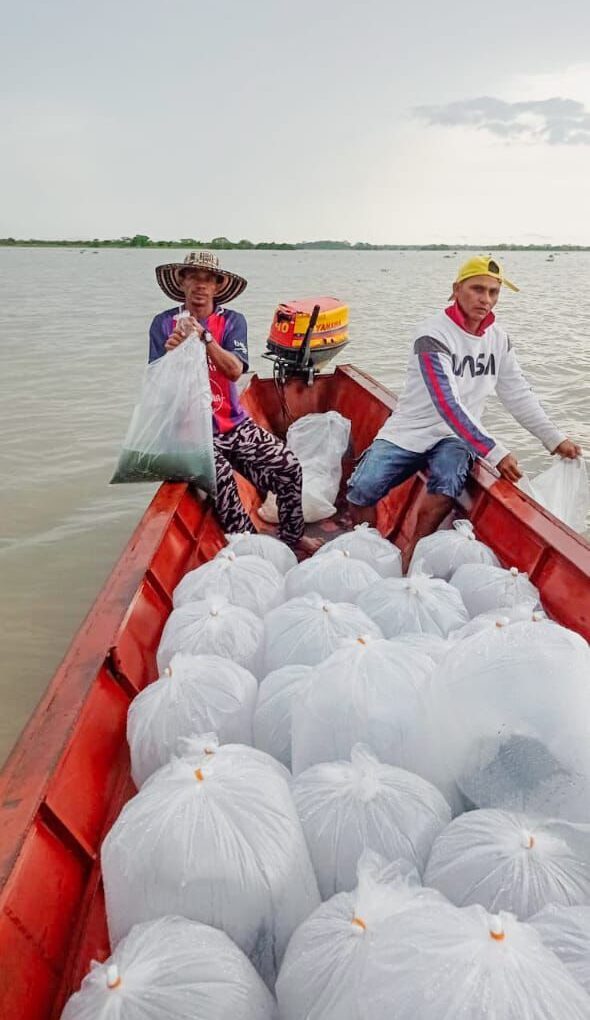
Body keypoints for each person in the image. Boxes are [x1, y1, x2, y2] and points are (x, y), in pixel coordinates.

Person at [347, 255, 581, 569]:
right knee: (362, 488)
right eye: (477, 289)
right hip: (411, 429)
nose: (486, 299)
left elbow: (517, 393)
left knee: (446, 484)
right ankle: (368, 550)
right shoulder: (432, 336)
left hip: (458, 436)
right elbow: (447, 403)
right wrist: (495, 452)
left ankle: (410, 554)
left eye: (493, 292)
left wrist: (553, 439)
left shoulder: (499, 339)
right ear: (456, 289)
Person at [149, 250, 318, 554]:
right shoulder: (163, 324)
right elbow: (157, 387)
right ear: (182, 282)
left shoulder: (231, 322)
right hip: (189, 435)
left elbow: (235, 370)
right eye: (193, 277)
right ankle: (252, 549)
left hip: (233, 425)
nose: (200, 285)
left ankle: (293, 537)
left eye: (208, 279)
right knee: (222, 477)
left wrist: (206, 339)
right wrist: (172, 353)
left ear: (217, 286)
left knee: (289, 467)